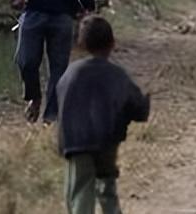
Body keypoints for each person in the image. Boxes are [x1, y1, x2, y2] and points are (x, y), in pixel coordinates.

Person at [56, 16, 150, 214]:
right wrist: (145, 101)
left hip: (77, 142)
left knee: (80, 191)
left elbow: (60, 103)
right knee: (107, 189)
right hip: (106, 142)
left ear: (81, 44)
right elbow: (138, 110)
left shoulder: (71, 73)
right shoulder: (117, 75)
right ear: (112, 43)